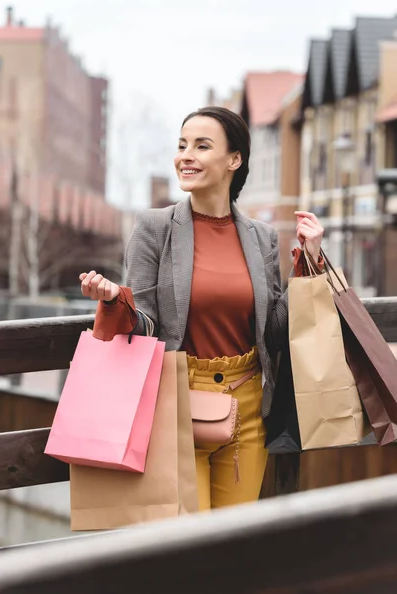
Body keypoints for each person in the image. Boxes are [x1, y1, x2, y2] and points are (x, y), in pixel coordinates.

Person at [79, 106, 324, 511]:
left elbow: (276, 333)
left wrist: (310, 262)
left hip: (248, 411)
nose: (185, 155)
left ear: (234, 160)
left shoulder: (261, 237)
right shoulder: (153, 228)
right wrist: (112, 299)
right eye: (181, 145)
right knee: (187, 551)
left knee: (231, 548)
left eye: (201, 145)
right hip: (177, 408)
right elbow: (146, 326)